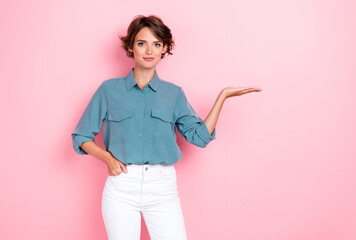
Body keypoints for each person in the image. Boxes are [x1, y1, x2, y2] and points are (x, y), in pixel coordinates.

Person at [71, 15, 261, 240]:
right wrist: (108, 159)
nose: (149, 50)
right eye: (142, 43)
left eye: (157, 44)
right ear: (131, 47)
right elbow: (81, 136)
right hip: (122, 187)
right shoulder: (108, 90)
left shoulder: (174, 94)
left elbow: (199, 137)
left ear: (164, 50)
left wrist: (222, 97)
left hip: (162, 189)